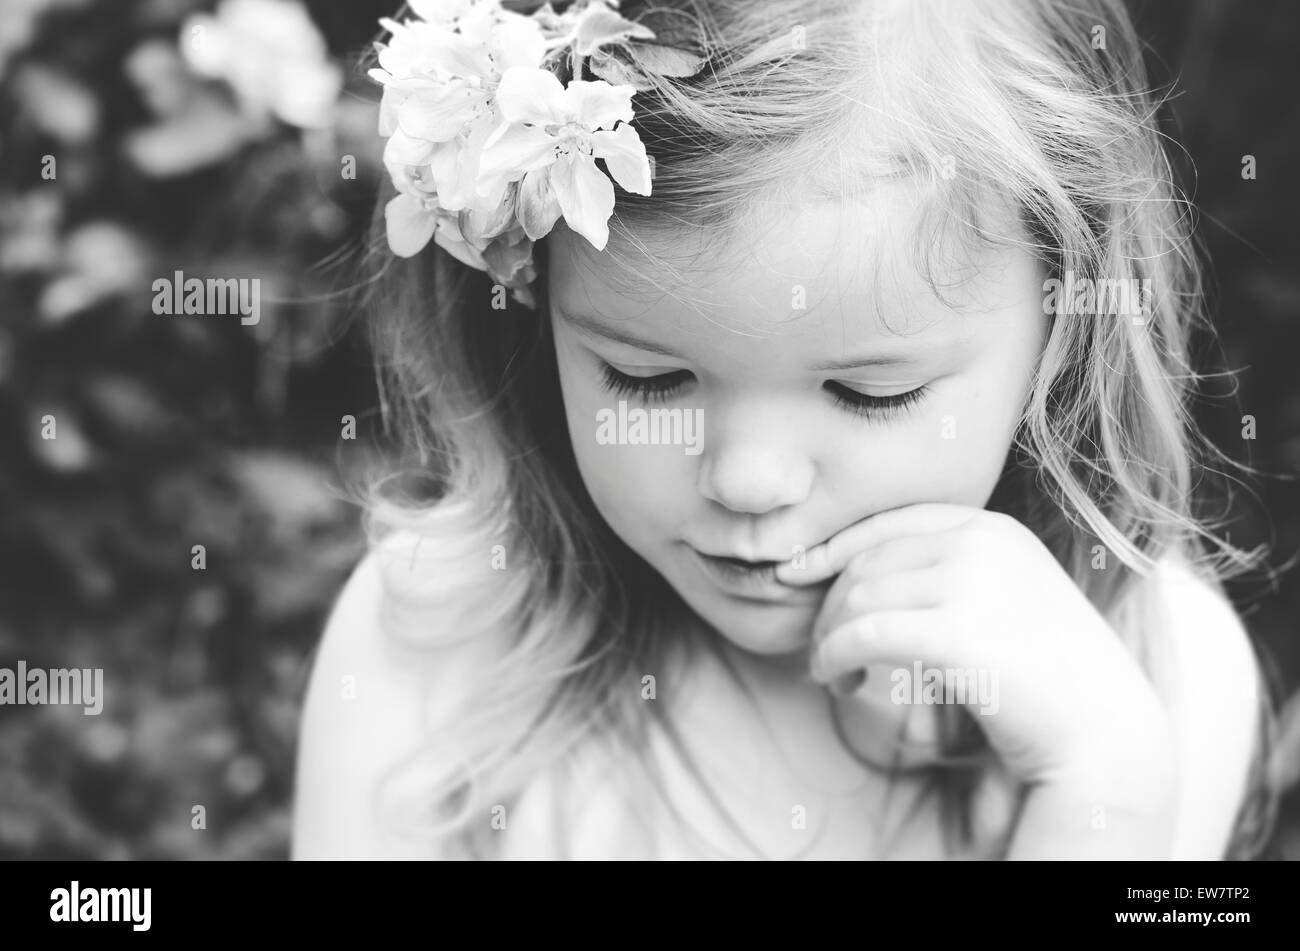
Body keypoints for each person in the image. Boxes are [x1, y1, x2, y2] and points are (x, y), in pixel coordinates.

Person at [292, 0, 1273, 860]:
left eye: (868, 394)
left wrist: (1100, 798)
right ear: (533, 303)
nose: (748, 481)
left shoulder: (1156, 678)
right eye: (646, 378)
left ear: (1062, 324)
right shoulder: (433, 641)